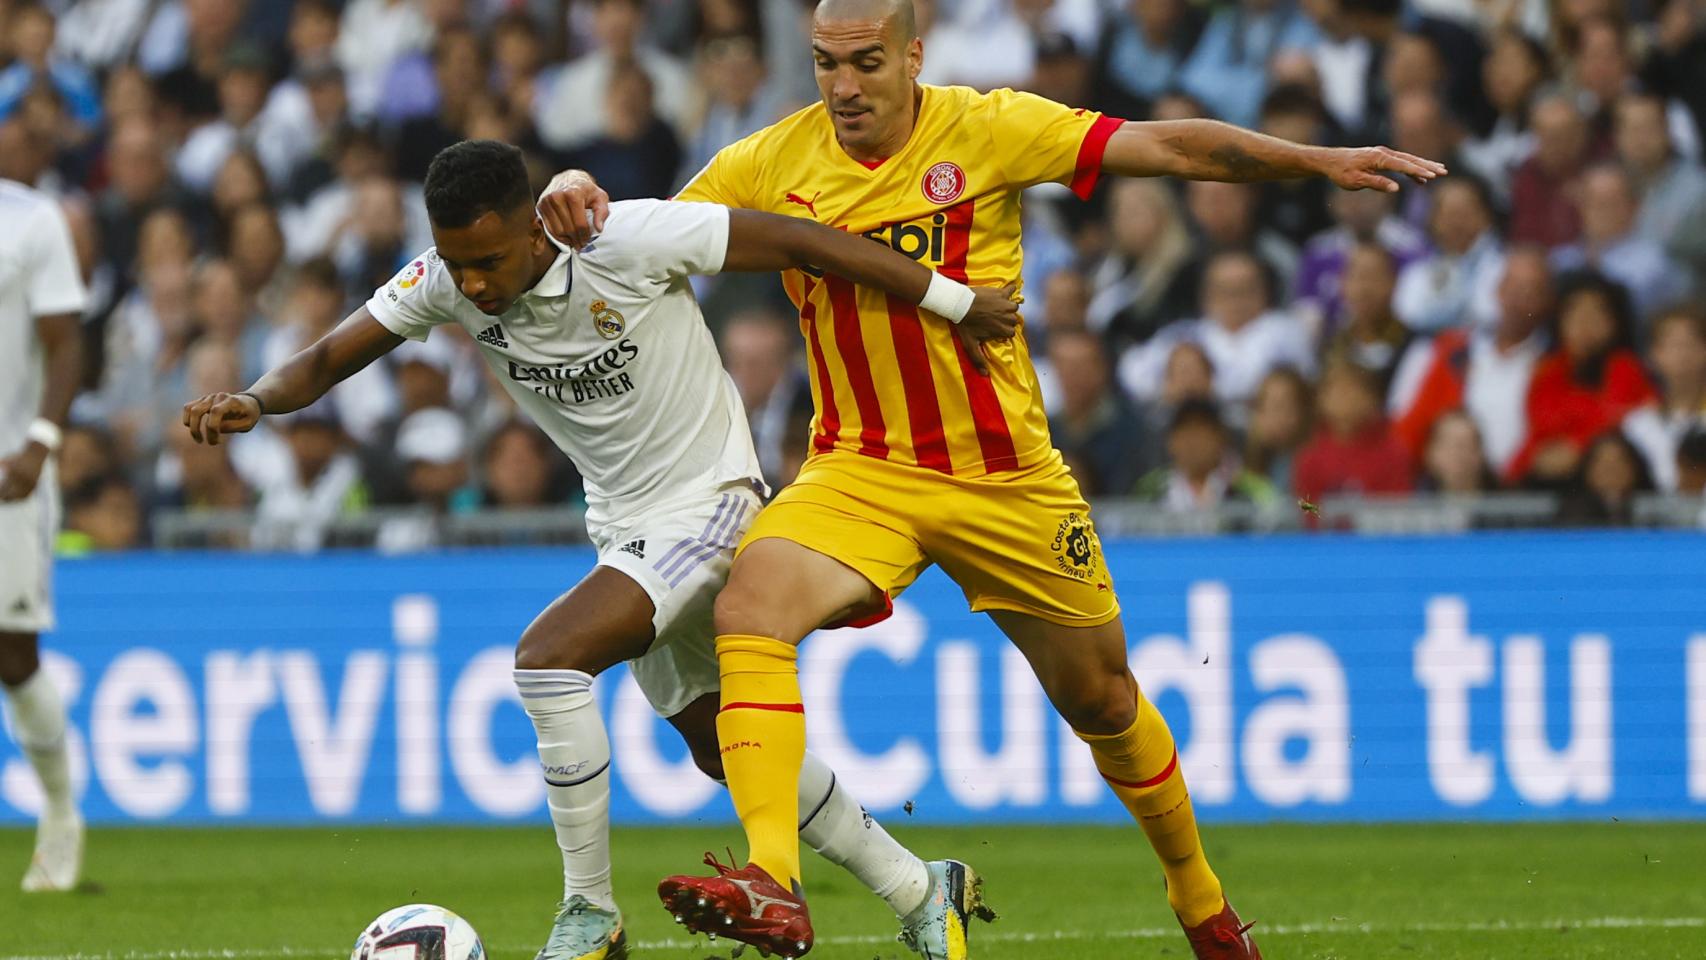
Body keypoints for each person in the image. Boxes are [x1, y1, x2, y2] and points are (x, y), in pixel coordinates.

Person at [541, 1, 1444, 954]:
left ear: (913, 55)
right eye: (824, 64)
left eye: (866, 63)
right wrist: (571, 188)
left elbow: (1170, 147)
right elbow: (637, 240)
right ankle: (772, 878)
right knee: (750, 606)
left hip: (1006, 479)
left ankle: (1200, 900)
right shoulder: (768, 162)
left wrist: (1318, 163)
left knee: (1102, 700)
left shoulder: (989, 127)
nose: (843, 86)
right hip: (860, 470)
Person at [182, 139, 1020, 960]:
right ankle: (920, 888)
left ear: (533, 228)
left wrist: (952, 300)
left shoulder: (629, 240)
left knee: (548, 659)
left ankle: (590, 915)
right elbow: (332, 354)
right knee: (718, 744)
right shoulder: (447, 281)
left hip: (711, 505)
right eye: (456, 263)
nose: (474, 284)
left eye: (489, 261)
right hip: (625, 527)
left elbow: (798, 240)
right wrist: (257, 399)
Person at [0, 178, 88, 892]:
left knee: (11, 652)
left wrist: (41, 441)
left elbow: (64, 340)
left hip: (8, 470)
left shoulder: (30, 221)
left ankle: (59, 812)